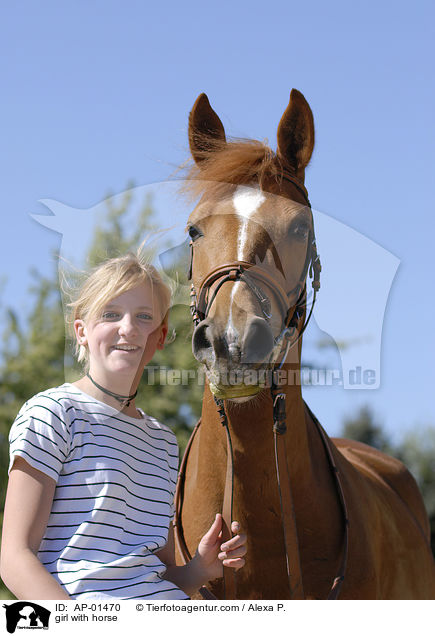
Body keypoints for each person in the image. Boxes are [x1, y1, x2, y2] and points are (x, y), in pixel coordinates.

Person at [0, 252, 246, 600]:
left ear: (160, 337)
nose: (128, 328)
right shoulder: (53, 413)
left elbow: (150, 573)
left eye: (143, 317)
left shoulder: (162, 441)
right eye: (110, 315)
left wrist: (200, 569)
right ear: (81, 330)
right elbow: (14, 557)